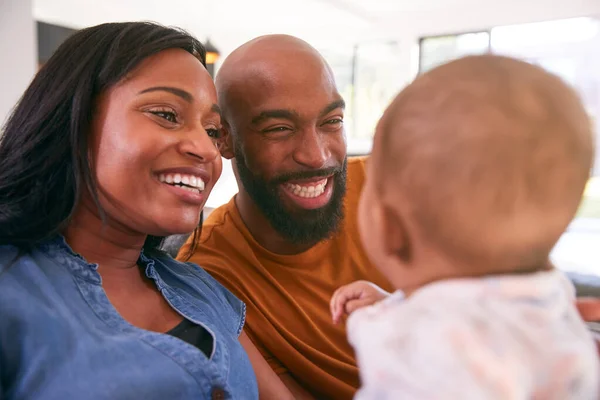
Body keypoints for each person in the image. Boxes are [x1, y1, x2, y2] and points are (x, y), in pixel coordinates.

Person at [0, 22, 294, 399]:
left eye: (212, 131)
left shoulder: (199, 288)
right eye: (167, 115)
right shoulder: (13, 291)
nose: (206, 150)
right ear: (71, 118)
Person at [330, 55, 600, 399]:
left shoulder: (423, 362)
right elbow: (474, 314)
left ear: (389, 227)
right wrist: (391, 304)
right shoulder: (552, 295)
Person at [178, 35, 393, 399]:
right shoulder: (210, 276)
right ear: (224, 139)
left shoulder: (396, 186)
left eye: (331, 121)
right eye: (279, 129)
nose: (317, 156)